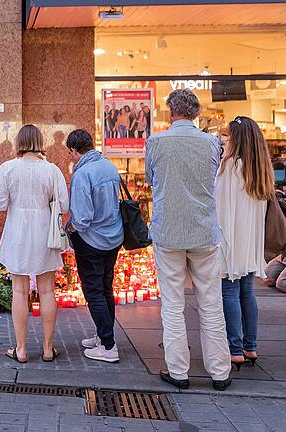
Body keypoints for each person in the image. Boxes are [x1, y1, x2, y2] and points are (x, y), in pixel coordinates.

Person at [145, 88, 232, 391]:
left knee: (172, 303)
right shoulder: (211, 143)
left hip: (168, 231)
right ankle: (220, 371)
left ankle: (179, 371)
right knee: (211, 302)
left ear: (171, 112)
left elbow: (150, 179)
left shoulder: (155, 142)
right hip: (204, 231)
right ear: (196, 113)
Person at [0, 124, 68, 363]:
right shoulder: (52, 170)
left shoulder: (8, 168)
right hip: (45, 234)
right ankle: (47, 348)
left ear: (19, 142)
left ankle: (21, 349)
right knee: (47, 290)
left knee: (19, 290)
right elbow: (64, 206)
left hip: (17, 233)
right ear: (40, 142)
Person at [216, 116, 274, 370]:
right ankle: (250, 346)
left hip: (232, 238)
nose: (225, 140)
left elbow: (220, 205)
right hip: (251, 240)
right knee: (247, 292)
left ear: (236, 139)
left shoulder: (231, 166)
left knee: (229, 291)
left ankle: (235, 349)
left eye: (228, 136)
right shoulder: (261, 168)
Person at [65, 129, 124, 363]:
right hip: (114, 237)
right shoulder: (108, 165)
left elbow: (83, 217)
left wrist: (69, 228)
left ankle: (108, 346)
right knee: (106, 288)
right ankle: (103, 336)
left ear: (74, 150)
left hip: (92, 240)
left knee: (94, 291)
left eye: (71, 154)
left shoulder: (82, 174)